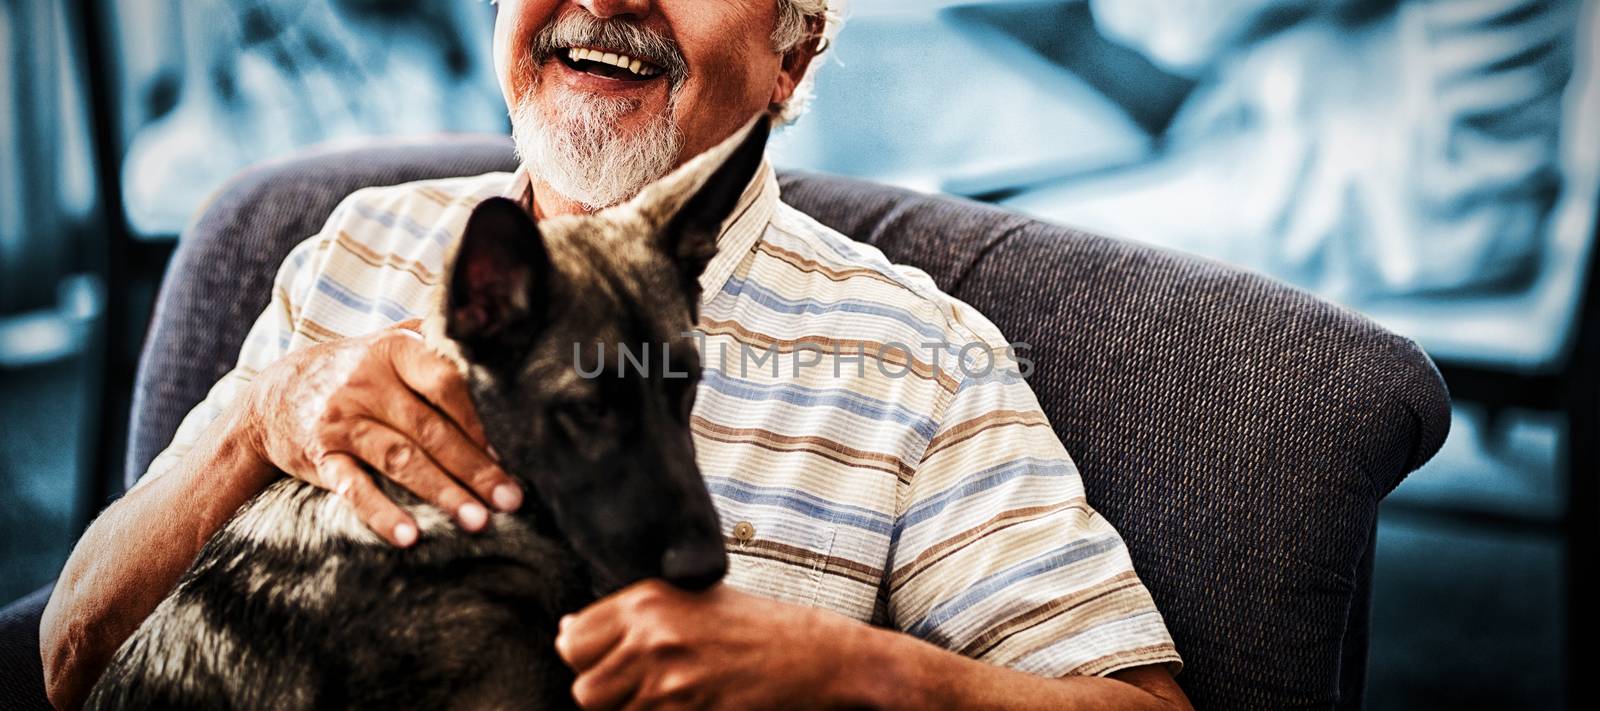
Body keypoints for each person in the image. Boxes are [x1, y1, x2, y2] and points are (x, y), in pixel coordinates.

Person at [41, 2, 1192, 709]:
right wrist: (260, 412)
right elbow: (69, 659)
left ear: (793, 54)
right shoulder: (359, 242)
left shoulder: (915, 354)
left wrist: (856, 675)